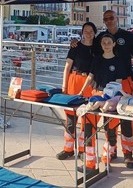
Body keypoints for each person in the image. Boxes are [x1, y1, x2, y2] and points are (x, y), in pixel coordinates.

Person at [71, 10, 133, 169]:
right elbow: (88, 47)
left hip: (125, 82)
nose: (109, 21)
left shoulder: (128, 37)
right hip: (103, 85)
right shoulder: (101, 38)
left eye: (111, 18)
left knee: (125, 118)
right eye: (106, 18)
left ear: (117, 19)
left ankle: (128, 154)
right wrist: (75, 43)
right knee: (109, 121)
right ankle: (111, 150)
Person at [77, 33, 129, 166]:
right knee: (89, 125)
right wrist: (81, 91)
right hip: (96, 95)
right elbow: (90, 77)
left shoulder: (118, 62)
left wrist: (111, 99)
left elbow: (118, 83)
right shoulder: (97, 59)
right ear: (100, 45)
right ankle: (90, 161)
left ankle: (108, 156)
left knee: (110, 128)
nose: (106, 45)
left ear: (114, 44)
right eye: (103, 42)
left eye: (108, 42)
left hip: (111, 99)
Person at [57, 22, 98, 177]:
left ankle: (82, 149)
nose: (88, 33)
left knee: (87, 118)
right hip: (74, 80)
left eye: (90, 31)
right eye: (85, 31)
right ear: (82, 33)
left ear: (94, 32)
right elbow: (67, 67)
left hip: (89, 83)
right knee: (70, 117)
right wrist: (64, 85)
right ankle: (68, 149)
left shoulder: (98, 48)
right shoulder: (75, 47)